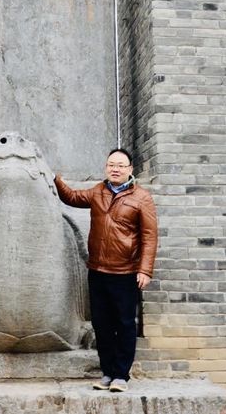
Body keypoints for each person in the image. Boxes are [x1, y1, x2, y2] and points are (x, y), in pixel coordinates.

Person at [55, 149, 157, 392]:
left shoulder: (142, 198)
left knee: (124, 324)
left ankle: (121, 375)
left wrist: (145, 270)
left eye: (121, 165)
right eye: (111, 164)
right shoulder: (98, 191)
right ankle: (108, 373)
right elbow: (72, 197)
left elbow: (149, 236)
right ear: (106, 168)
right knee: (101, 325)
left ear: (130, 169)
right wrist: (55, 180)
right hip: (98, 270)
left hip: (126, 272)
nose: (116, 169)